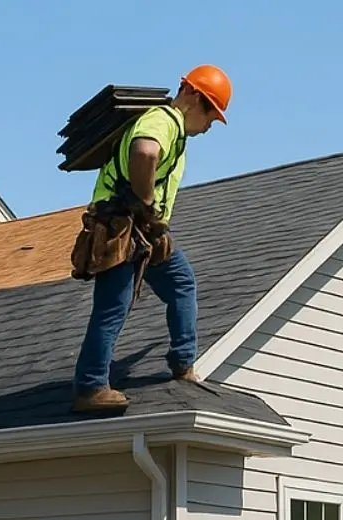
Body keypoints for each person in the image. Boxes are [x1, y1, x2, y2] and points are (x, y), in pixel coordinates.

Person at [70, 65, 231, 414]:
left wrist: (154, 221)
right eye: (210, 115)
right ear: (191, 96)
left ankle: (183, 363)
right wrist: (144, 205)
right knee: (114, 304)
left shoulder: (176, 133)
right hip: (122, 225)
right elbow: (144, 153)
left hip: (143, 230)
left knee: (181, 281)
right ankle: (91, 387)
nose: (208, 127)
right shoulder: (163, 120)